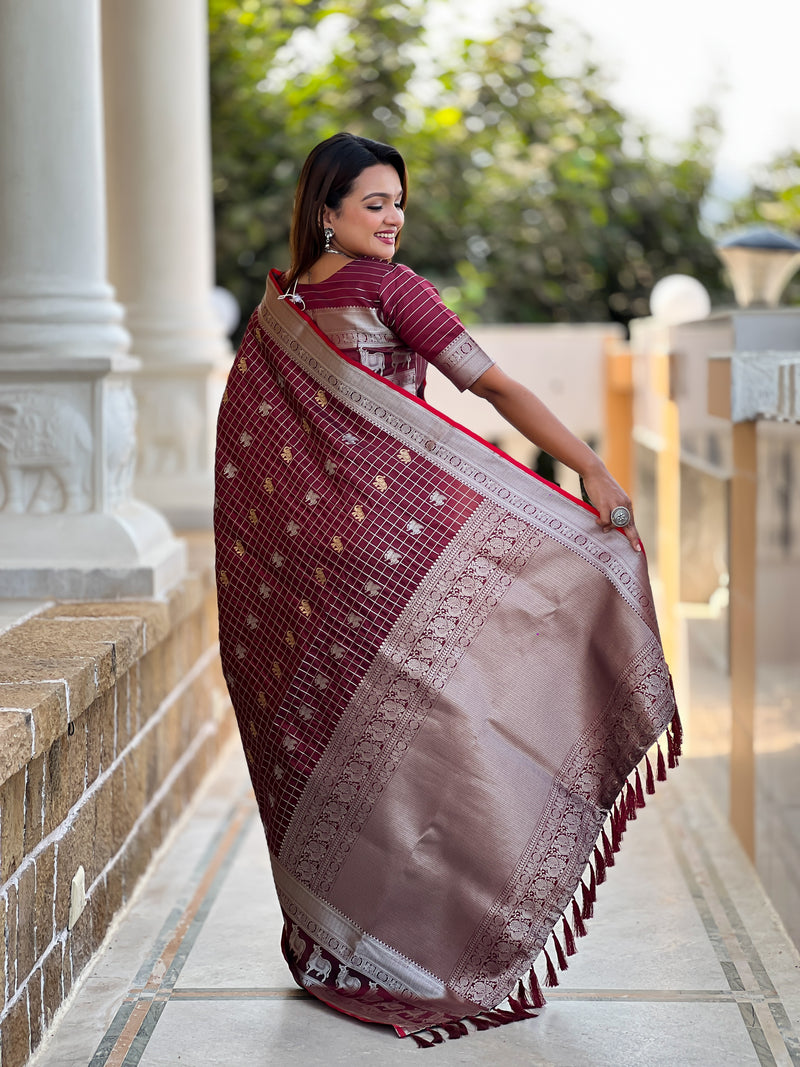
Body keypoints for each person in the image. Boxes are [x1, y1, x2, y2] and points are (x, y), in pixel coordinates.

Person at [214, 132, 679, 1045]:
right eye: (374, 203)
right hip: (386, 563)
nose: (391, 219)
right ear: (328, 211)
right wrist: (587, 467)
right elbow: (494, 387)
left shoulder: (281, 309)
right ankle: (428, 940)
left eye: (398, 204)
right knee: (430, 733)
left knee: (346, 741)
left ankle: (345, 943)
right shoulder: (390, 291)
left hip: (321, 573)